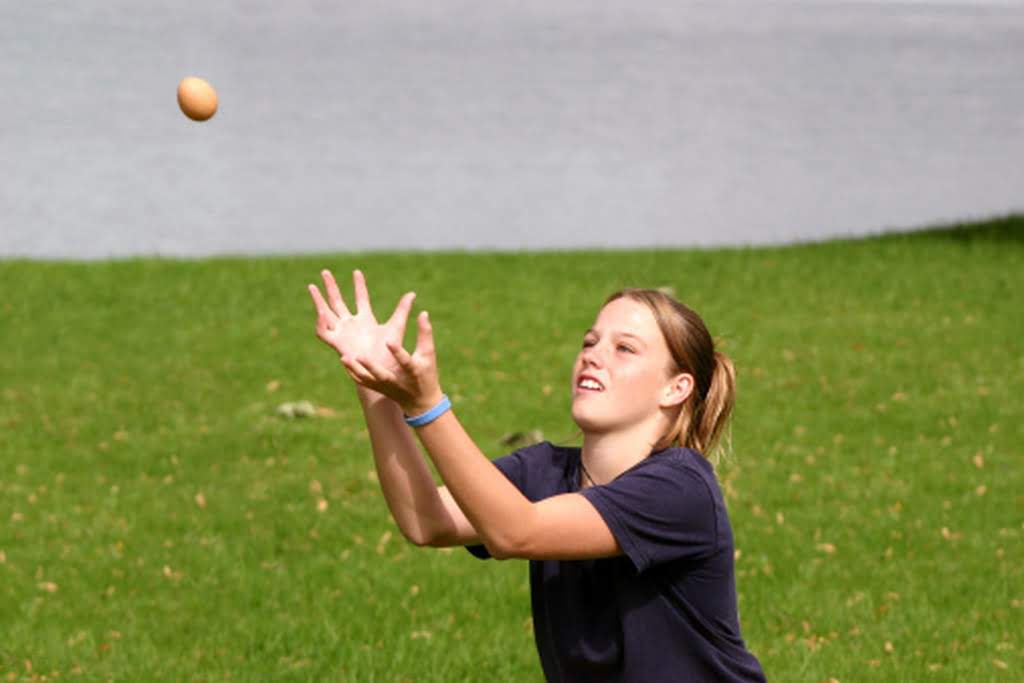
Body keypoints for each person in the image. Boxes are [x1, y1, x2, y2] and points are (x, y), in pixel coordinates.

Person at [308, 269, 767, 682]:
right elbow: (427, 521)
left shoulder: (679, 487)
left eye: (624, 348)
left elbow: (517, 533)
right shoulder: (542, 471)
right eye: (590, 342)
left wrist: (428, 408)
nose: (593, 356)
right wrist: (374, 386)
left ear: (676, 387)